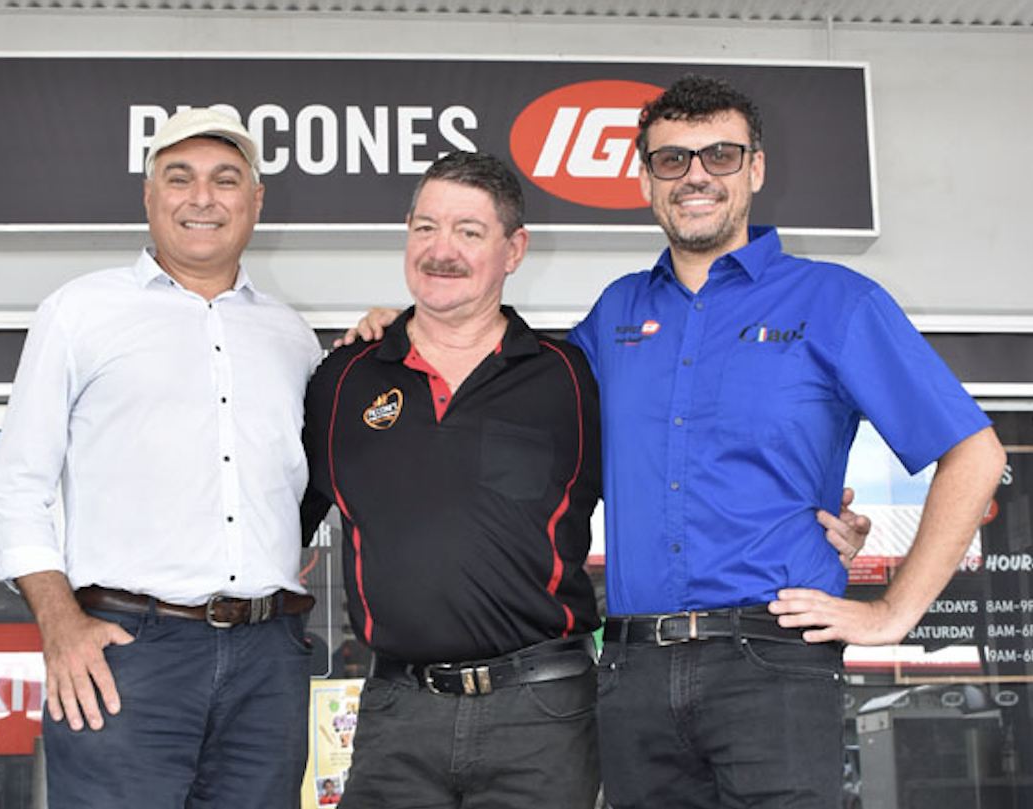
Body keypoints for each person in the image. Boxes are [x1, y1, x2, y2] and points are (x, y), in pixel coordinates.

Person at [570, 74, 1007, 808]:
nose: (697, 176)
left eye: (720, 155)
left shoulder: (835, 301)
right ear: (646, 179)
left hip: (770, 666)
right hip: (632, 674)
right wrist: (416, 326)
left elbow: (976, 452)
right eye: (672, 159)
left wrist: (892, 611)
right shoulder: (615, 311)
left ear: (757, 169)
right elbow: (515, 397)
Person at [0, 108, 322, 808]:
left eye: (226, 179)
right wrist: (59, 622)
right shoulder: (78, 312)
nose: (203, 197)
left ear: (255, 201)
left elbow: (303, 485)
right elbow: (17, 487)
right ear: (148, 195)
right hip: (126, 653)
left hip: (270, 660)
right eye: (181, 177)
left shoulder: (292, 336)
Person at [301, 151, 605, 808]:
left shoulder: (570, 378)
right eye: (425, 228)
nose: (442, 250)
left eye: (469, 231)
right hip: (396, 715)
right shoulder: (342, 380)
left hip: (542, 714)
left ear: (514, 249)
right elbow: (273, 520)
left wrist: (805, 521)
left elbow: (664, 486)